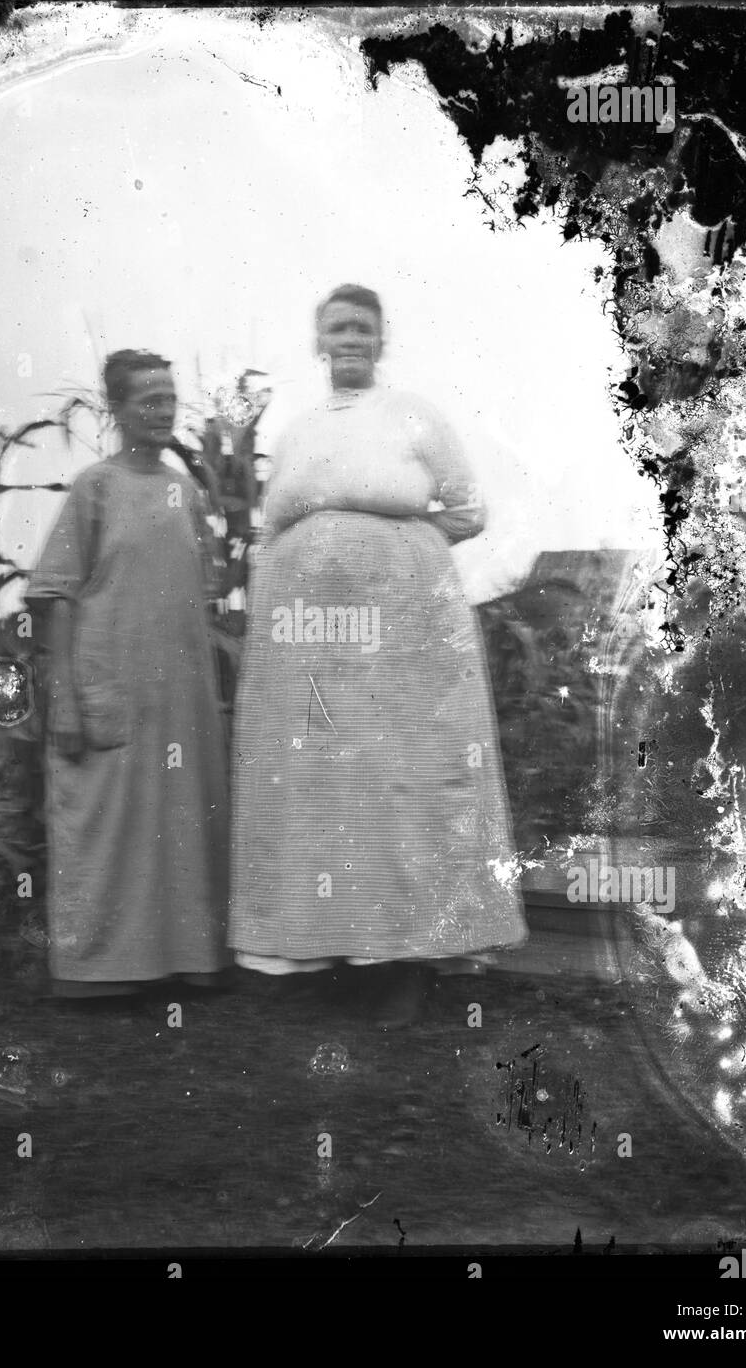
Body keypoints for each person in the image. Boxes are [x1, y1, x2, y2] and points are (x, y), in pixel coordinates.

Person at [228, 285, 527, 1027]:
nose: (350, 338)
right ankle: (325, 952)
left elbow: (465, 509)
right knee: (322, 775)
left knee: (400, 773)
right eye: (338, 328)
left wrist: (390, 561)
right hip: (306, 640)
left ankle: (401, 960)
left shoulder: (414, 417)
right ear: (318, 341)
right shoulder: (297, 430)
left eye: (363, 326)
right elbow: (272, 527)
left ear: (382, 337)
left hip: (399, 634)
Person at [26, 350, 229, 998]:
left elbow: (198, 591)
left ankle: (184, 962)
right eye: (147, 400)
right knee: (106, 825)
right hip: (108, 683)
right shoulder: (95, 486)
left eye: (169, 398)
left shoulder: (186, 491)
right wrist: (63, 699)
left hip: (178, 695)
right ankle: (97, 973)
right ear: (116, 409)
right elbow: (54, 593)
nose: (162, 410)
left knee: (178, 822)